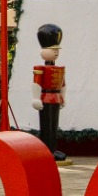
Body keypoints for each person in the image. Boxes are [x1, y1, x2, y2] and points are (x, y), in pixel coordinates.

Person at [30, 23, 70, 163]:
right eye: (53, 49)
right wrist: (36, 98)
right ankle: (46, 149)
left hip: (56, 97)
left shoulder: (59, 68)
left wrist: (63, 97)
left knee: (54, 125)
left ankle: (53, 148)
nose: (56, 52)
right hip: (45, 97)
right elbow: (36, 83)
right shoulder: (40, 67)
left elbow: (62, 83)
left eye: (57, 50)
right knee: (46, 125)